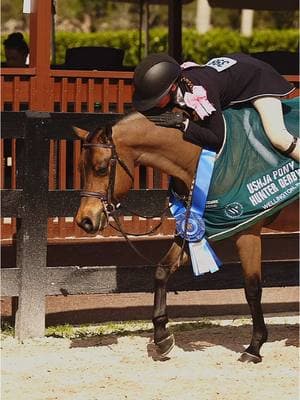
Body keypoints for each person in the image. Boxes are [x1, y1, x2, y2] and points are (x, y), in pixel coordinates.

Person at [132, 53, 299, 161]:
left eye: (156, 100)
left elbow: (217, 139)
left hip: (258, 80)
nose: (153, 105)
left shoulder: (201, 94)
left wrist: (184, 124)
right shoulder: (179, 83)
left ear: (173, 88)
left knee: (278, 137)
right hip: (234, 72)